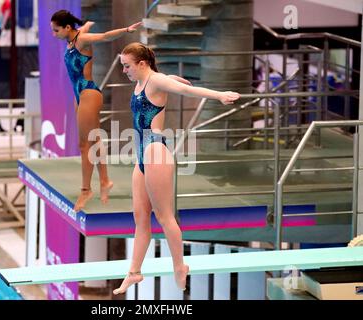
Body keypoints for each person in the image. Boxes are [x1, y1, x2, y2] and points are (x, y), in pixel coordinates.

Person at [112, 42, 240, 294]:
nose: (124, 71)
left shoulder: (155, 80)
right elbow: (166, 81)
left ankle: (180, 266)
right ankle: (134, 272)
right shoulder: (145, 81)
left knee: (164, 216)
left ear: (141, 64)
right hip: (141, 153)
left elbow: (186, 91)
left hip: (155, 149)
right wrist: (168, 77)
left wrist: (219, 95)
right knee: (140, 218)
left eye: (127, 66)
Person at [50, 10, 142, 211]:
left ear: (67, 28)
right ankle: (105, 181)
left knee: (85, 145)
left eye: (56, 30)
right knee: (94, 140)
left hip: (89, 93)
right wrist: (87, 24)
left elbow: (105, 36)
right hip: (79, 95)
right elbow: (81, 29)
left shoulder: (82, 40)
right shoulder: (74, 38)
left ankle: (86, 190)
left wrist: (126, 29)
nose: (53, 34)